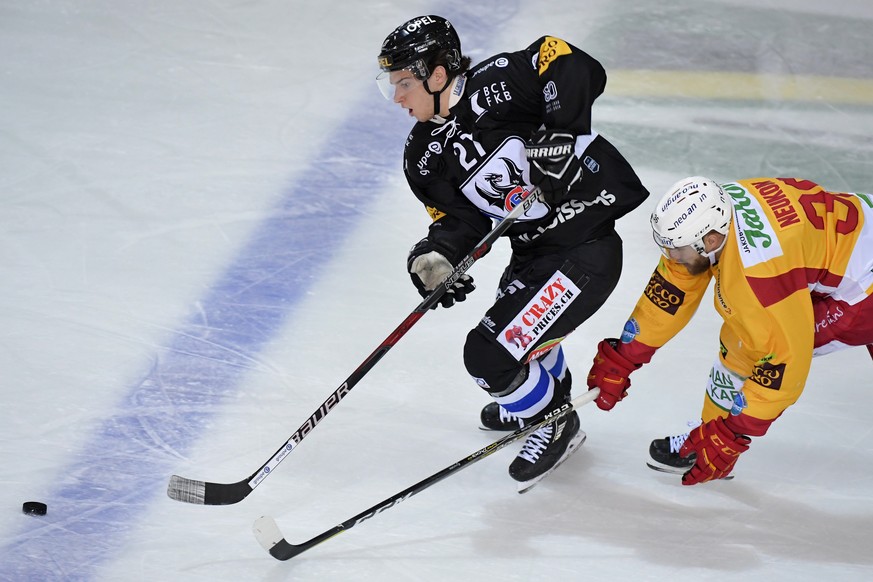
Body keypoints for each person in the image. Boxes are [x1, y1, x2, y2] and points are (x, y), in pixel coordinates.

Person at [376, 15, 650, 489]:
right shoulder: (421, 154)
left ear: (437, 75)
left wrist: (560, 136)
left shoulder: (498, 81)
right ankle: (543, 398)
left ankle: (552, 421)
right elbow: (461, 223)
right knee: (514, 345)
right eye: (392, 85)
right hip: (534, 255)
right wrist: (435, 256)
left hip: (584, 246)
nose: (397, 96)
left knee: (487, 356)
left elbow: (569, 62)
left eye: (403, 82)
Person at [586, 176, 873, 485]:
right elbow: (674, 288)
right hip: (853, 244)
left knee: (749, 344)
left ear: (710, 241)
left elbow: (785, 364)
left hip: (861, 290)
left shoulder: (757, 274)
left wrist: (730, 435)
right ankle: (708, 433)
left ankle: (712, 438)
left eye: (678, 250)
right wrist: (625, 355)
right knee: (744, 336)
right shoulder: (719, 210)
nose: (673, 258)